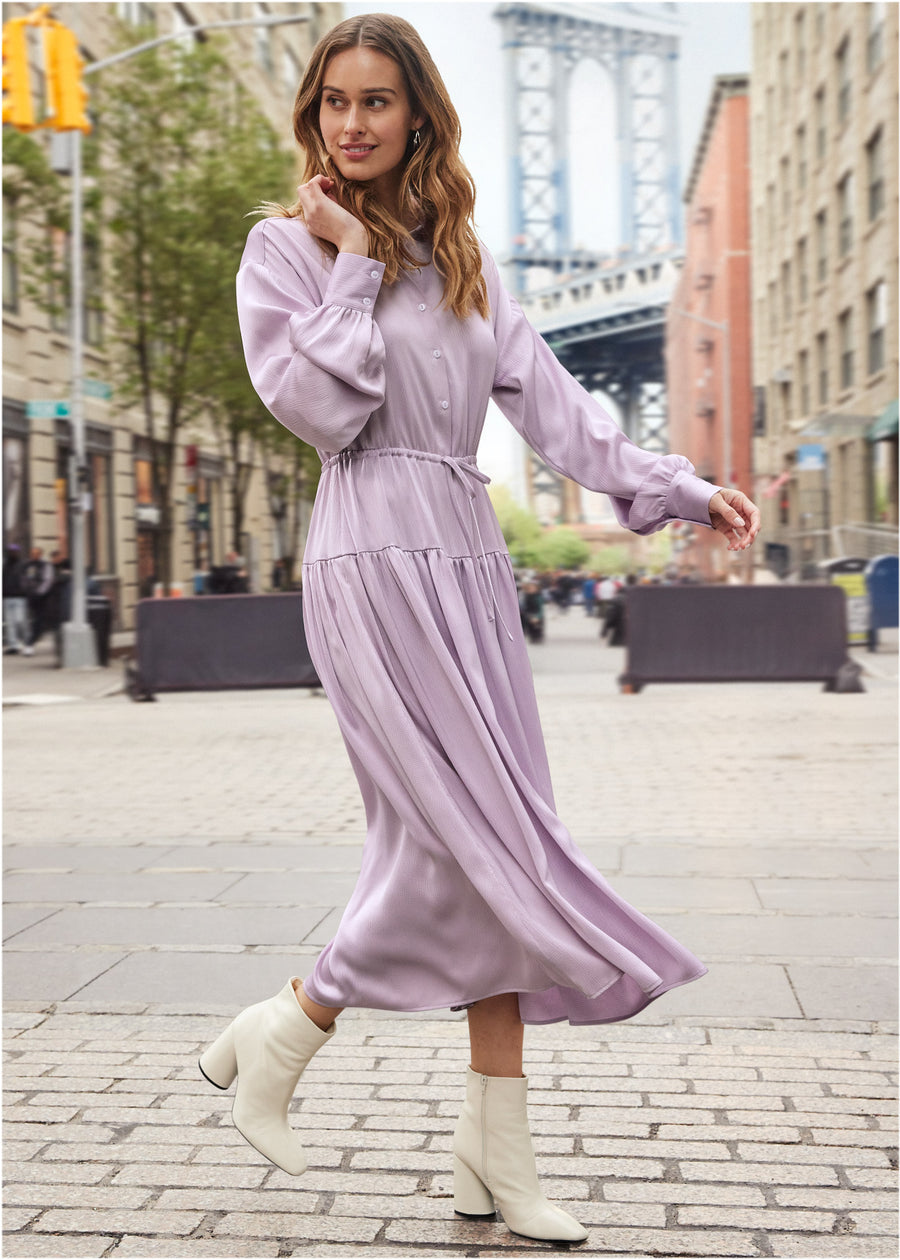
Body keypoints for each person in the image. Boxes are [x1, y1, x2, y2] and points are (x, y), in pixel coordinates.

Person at [201, 13, 761, 1245]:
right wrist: (350, 257)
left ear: (418, 117)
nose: (354, 123)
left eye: (378, 102)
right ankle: (295, 1024)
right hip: (368, 552)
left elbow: (559, 411)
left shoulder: (465, 261)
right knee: (467, 841)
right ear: (315, 114)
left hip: (463, 559)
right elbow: (318, 409)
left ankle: (485, 1152)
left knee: (491, 846)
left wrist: (676, 485)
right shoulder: (282, 251)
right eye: (335, 101)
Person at [2, 544, 30, 655]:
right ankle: (13, 646)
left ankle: (27, 642)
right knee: (10, 623)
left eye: (14, 551)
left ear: (18, 552)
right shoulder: (5, 565)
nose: (12, 553)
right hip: (7, 597)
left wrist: (25, 591)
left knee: (20, 621)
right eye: (10, 551)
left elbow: (28, 580)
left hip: (20, 597)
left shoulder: (23, 565)